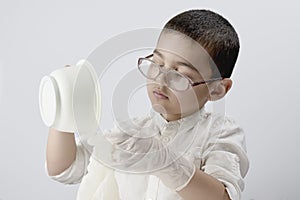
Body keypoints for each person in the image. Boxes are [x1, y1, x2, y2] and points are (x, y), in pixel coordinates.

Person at [45, 9, 249, 200]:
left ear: (217, 89)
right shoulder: (131, 133)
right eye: (158, 64)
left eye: (180, 75)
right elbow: (65, 169)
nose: (161, 79)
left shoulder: (220, 133)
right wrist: (63, 109)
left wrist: (165, 162)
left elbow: (224, 196)